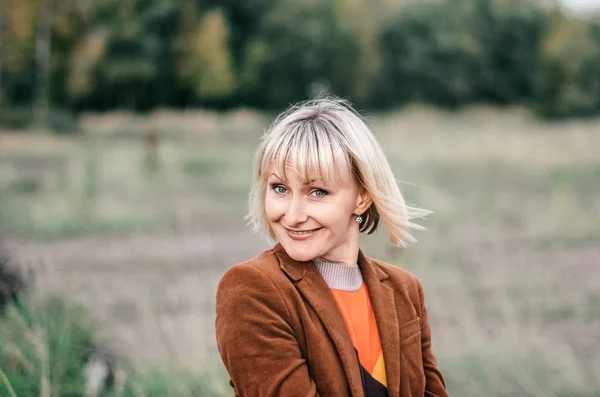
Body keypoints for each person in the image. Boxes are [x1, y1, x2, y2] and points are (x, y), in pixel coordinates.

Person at [215, 97, 448, 397]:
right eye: (280, 188)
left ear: (362, 197)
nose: (293, 215)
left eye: (317, 192)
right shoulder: (252, 290)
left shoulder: (405, 290)